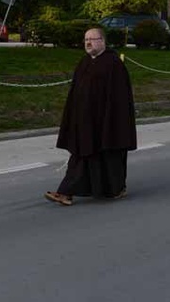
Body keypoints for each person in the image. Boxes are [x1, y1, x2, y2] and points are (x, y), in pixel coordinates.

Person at [45, 28, 137, 206]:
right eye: (86, 39)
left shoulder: (113, 63)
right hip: (85, 121)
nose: (88, 43)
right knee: (81, 155)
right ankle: (66, 192)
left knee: (109, 156)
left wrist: (111, 122)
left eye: (92, 39)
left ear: (102, 41)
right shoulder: (84, 62)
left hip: (106, 121)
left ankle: (114, 188)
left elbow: (119, 97)